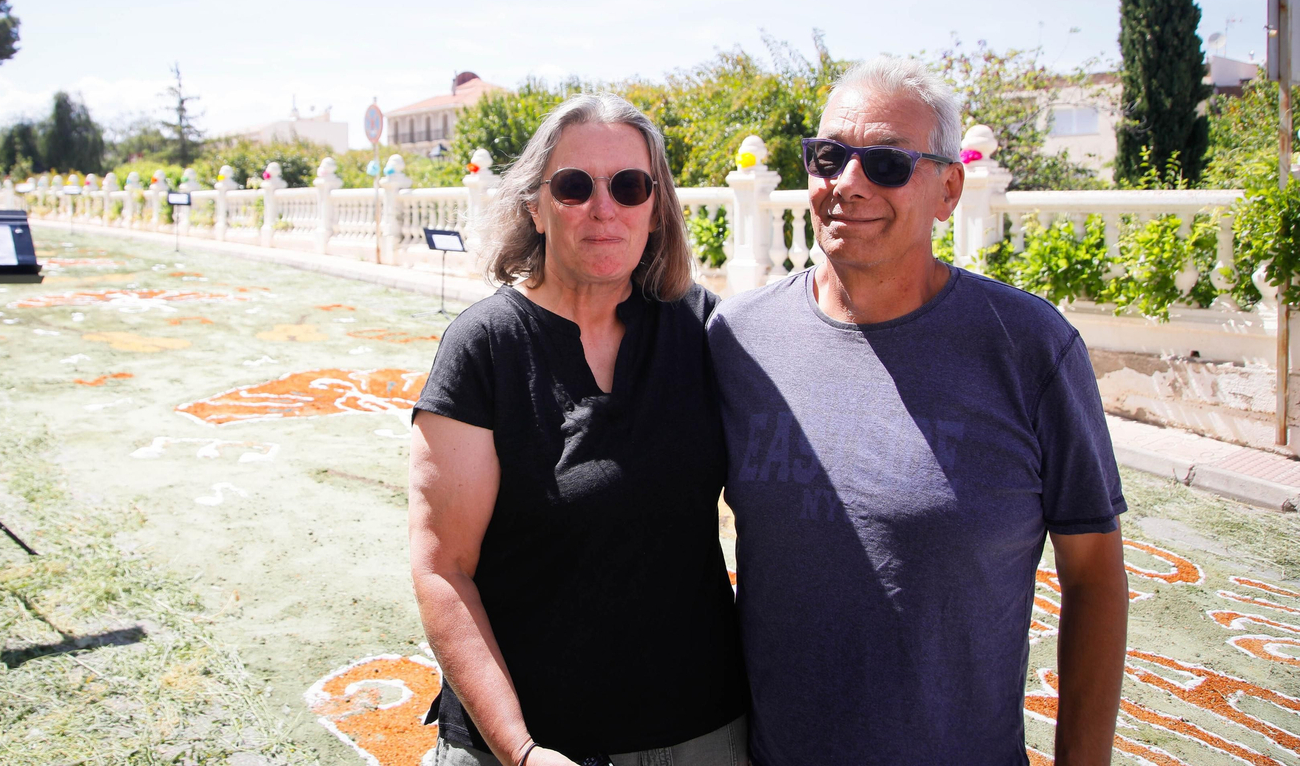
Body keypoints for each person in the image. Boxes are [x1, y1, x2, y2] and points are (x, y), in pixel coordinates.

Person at [708, 57, 1130, 766]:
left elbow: (1093, 575)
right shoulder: (738, 338)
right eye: (829, 156)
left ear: (949, 189)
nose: (848, 183)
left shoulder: (1029, 348)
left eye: (886, 164)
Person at [409, 93, 748, 766]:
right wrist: (522, 750)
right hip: (534, 737)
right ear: (534, 206)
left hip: (700, 727)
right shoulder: (484, 348)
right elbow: (443, 568)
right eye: (573, 187)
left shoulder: (703, 329)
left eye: (629, 186)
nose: (604, 207)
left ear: (656, 208)